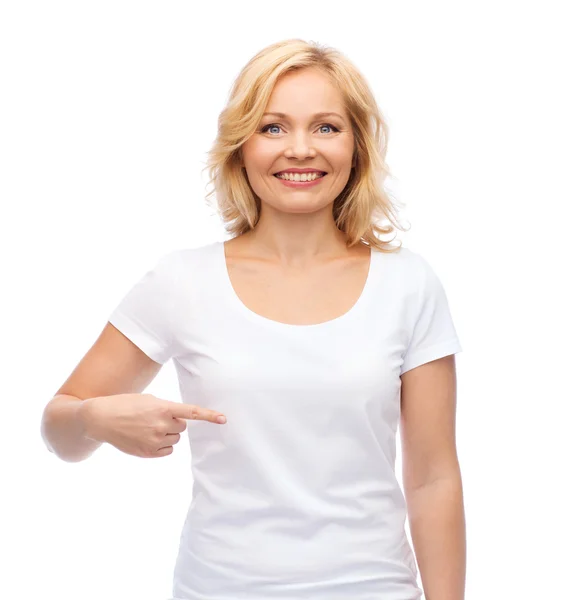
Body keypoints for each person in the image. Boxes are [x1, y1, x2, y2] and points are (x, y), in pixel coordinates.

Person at [41, 39, 466, 600]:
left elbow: (433, 479)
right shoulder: (181, 282)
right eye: (272, 127)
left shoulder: (408, 284)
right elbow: (60, 429)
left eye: (326, 127)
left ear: (357, 148)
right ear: (240, 147)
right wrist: (96, 418)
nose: (299, 149)